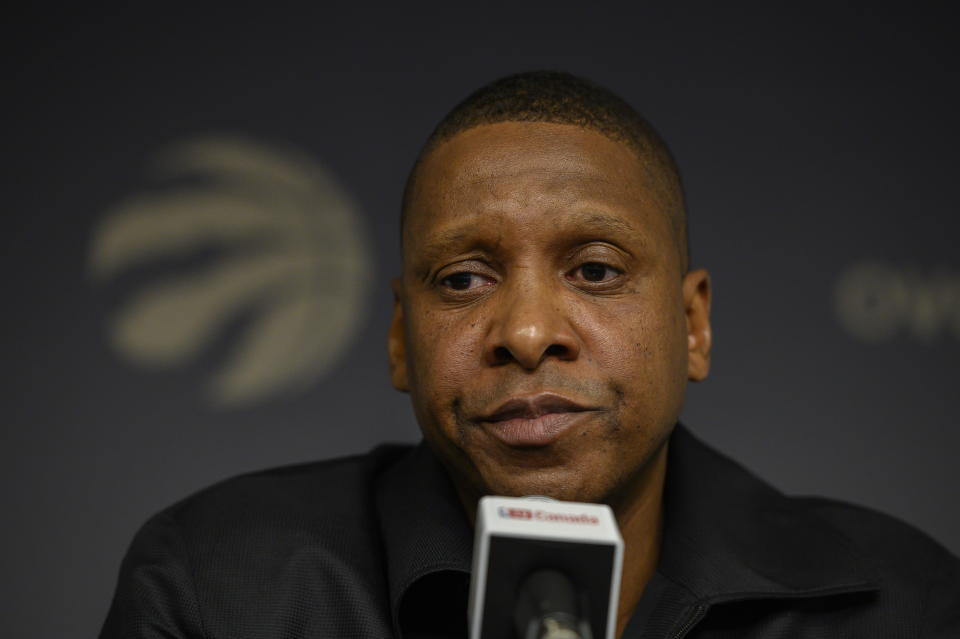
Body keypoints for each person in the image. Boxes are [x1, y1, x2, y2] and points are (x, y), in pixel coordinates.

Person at [100, 71, 960, 639]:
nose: (524, 331)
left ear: (692, 324)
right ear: (401, 337)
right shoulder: (219, 588)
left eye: (595, 269)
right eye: (465, 279)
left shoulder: (902, 602)